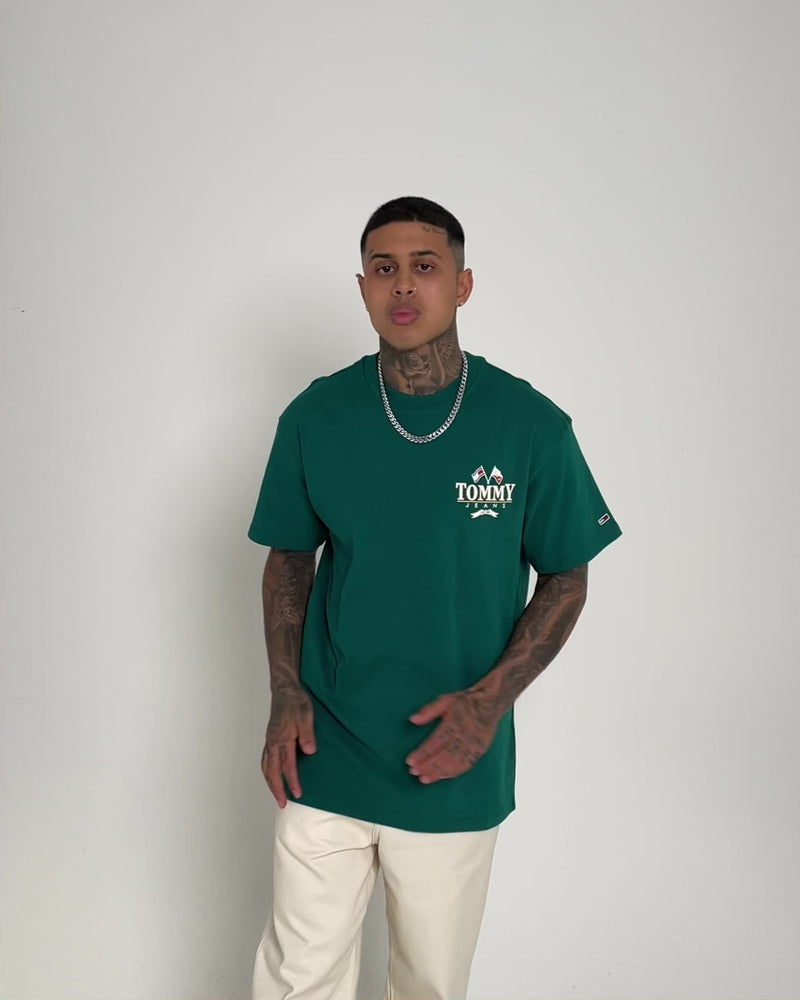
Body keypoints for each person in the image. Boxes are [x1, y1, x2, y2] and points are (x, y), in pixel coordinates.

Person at [247, 195, 621, 1000]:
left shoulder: (529, 424)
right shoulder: (316, 416)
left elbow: (567, 575)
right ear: (362, 288)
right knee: (297, 978)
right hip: (327, 748)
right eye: (384, 268)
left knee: (430, 985)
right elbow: (289, 559)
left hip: (452, 756)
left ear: (463, 284)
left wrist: (488, 704)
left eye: (425, 266)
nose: (403, 285)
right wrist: (284, 689)